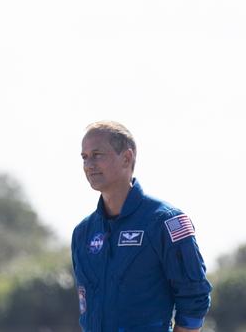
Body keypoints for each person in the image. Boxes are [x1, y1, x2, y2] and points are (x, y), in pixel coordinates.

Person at [71, 121, 211, 332]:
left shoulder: (166, 221)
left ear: (126, 158)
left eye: (97, 155)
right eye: (85, 157)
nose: (89, 164)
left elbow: (194, 299)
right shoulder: (83, 233)